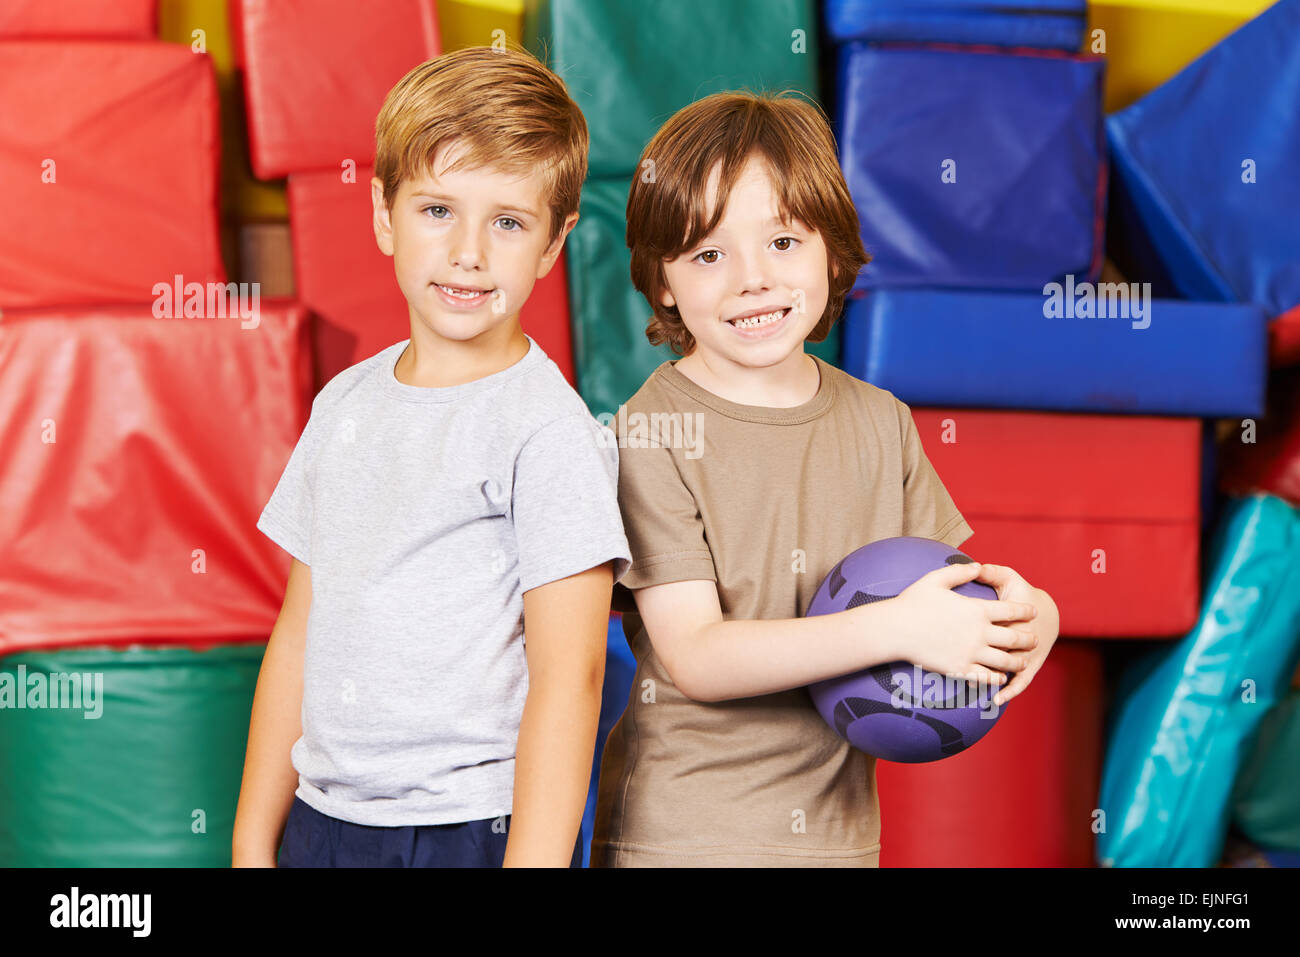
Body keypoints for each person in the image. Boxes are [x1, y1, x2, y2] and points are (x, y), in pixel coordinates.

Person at [591, 90, 1060, 867]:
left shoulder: (881, 421)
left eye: (782, 240)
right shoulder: (650, 428)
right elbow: (698, 657)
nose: (752, 278)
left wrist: (1031, 617)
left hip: (837, 840)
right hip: (684, 835)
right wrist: (895, 628)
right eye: (709, 254)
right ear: (663, 280)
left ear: (832, 251)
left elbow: (948, 589)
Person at [232, 46, 630, 868]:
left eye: (509, 222)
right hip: (324, 817)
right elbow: (301, 630)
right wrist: (250, 840)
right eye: (438, 210)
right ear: (384, 214)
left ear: (554, 244)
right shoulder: (342, 404)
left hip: (466, 826)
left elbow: (571, 678)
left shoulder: (547, 431)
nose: (469, 251)